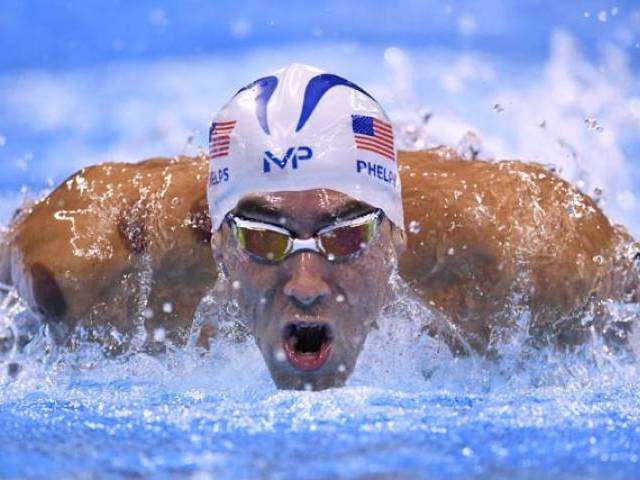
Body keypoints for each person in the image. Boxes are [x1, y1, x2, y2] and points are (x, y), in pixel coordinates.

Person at [0, 64, 638, 390]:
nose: (306, 282)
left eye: (348, 235)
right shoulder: (87, 269)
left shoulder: (522, 252)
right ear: (218, 245)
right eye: (261, 238)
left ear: (398, 235)